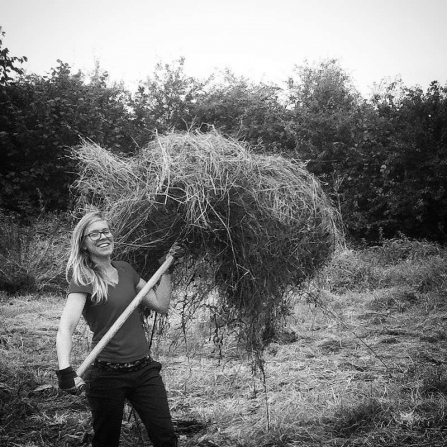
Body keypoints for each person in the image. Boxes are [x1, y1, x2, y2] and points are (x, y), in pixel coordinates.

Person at [56, 210, 181, 447]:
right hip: (107, 375)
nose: (103, 237)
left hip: (144, 370)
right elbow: (66, 327)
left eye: (106, 231)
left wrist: (167, 270)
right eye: (94, 234)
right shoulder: (84, 278)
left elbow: (161, 305)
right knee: (106, 441)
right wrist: (65, 370)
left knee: (166, 438)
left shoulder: (125, 269)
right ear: (83, 244)